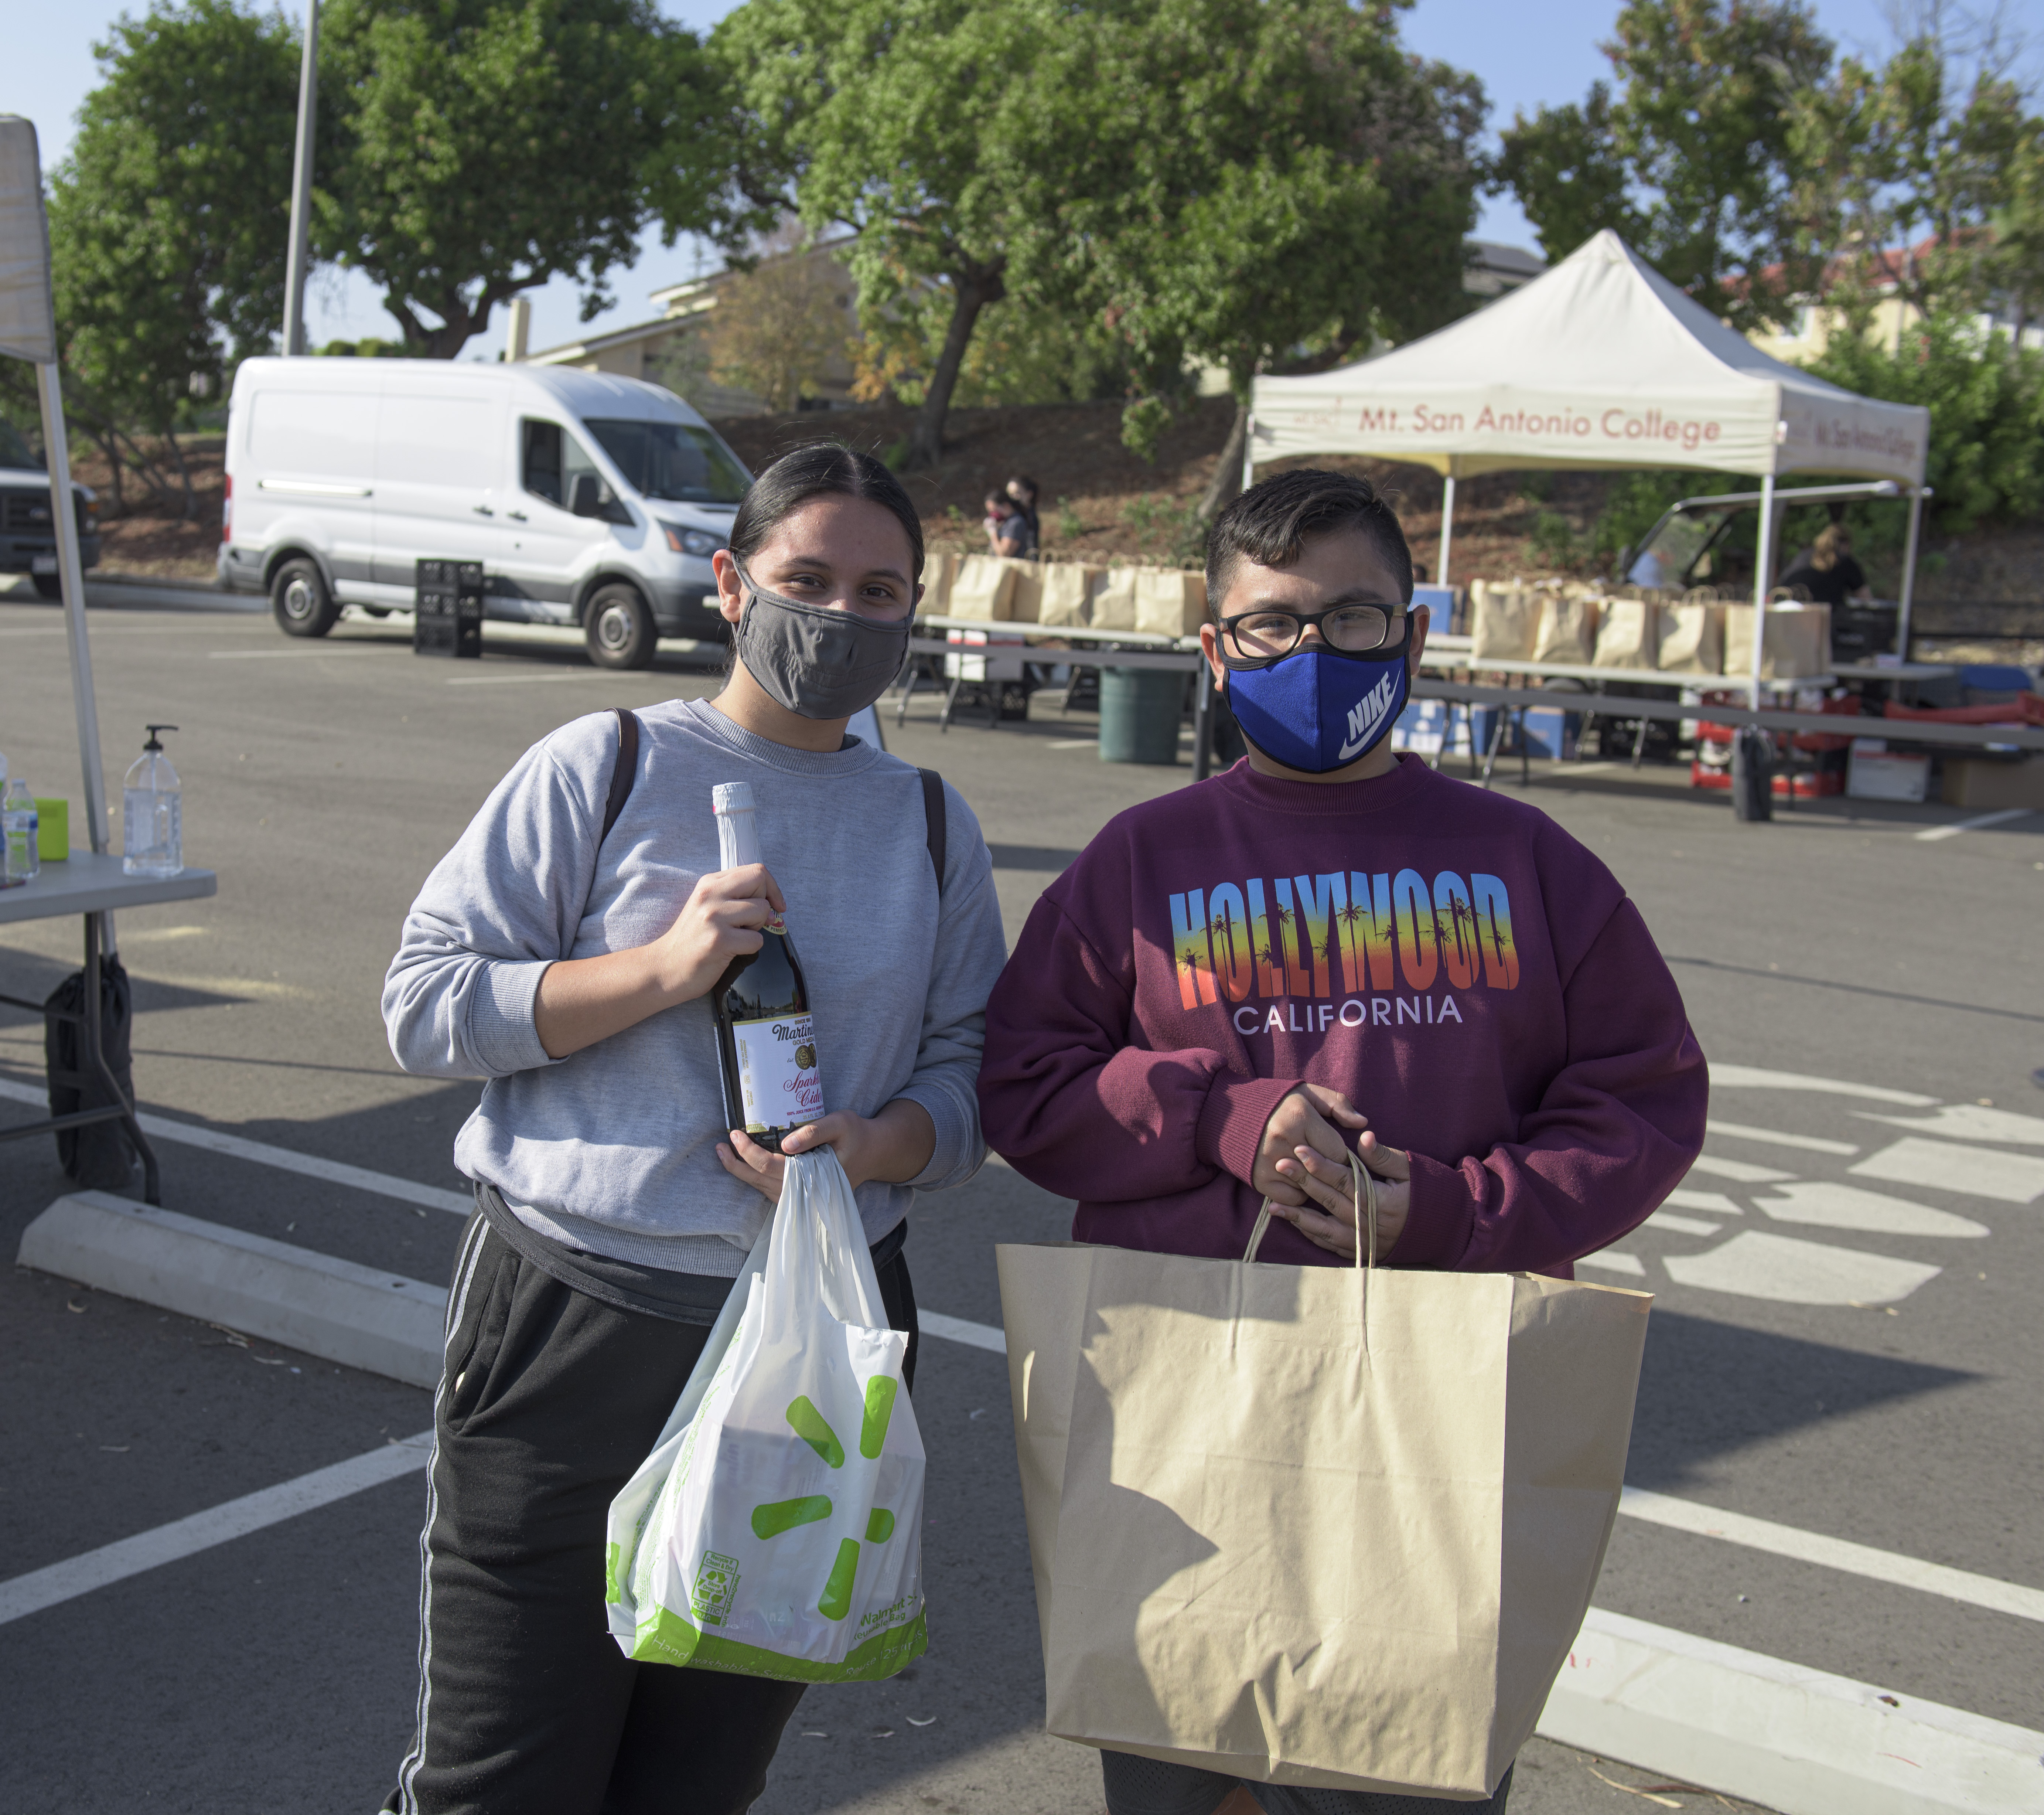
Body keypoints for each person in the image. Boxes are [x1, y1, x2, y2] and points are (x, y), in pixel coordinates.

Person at [976, 466, 1707, 1815]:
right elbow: (1025, 1083)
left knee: (1408, 1777)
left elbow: (1644, 1095)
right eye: (1271, 623)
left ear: (1415, 632)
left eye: (1354, 618)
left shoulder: (1531, 864)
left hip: (1429, 1434)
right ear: (1214, 647)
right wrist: (1225, 1117)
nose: (1314, 652)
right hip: (1181, 1434)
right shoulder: (1138, 864)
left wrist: (1450, 1209)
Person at [379, 444, 1008, 1815]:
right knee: (503, 1783)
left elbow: (975, 1073)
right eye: (807, 580)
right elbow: (424, 1005)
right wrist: (659, 972)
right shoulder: (604, 764)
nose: (842, 617)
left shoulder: (931, 824)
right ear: (730, 585)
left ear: (914, 611)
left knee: (694, 1782)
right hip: (575, 1321)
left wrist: (883, 1143)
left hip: (821, 1337)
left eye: (880, 589)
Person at [1776, 521, 1870, 609]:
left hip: (1785, 609)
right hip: (1821, 618)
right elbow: (1865, 598)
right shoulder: (1843, 560)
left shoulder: (1803, 555)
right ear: (1846, 544)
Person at [985, 487, 1035, 558]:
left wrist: (993, 533)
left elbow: (1004, 554)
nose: (992, 515)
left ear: (1006, 506)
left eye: (994, 510)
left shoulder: (1015, 523)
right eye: (989, 511)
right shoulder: (1006, 522)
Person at [1005, 473, 1042, 547]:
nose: (1012, 498)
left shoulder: (1030, 517)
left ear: (1030, 494)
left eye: (1017, 493)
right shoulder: (1010, 516)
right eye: (1010, 494)